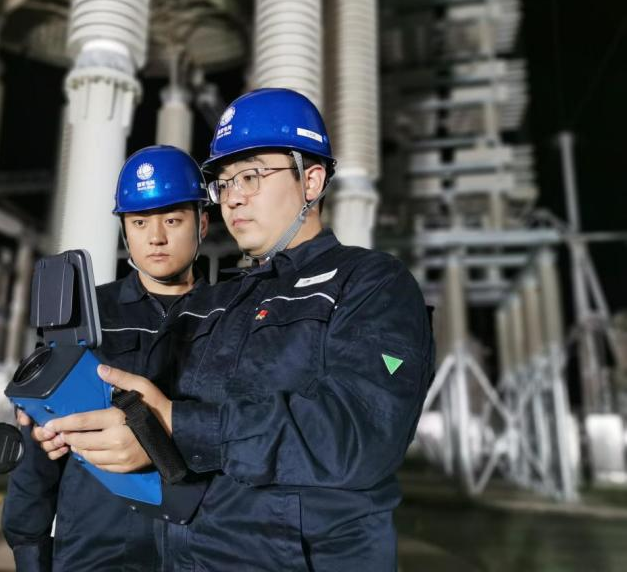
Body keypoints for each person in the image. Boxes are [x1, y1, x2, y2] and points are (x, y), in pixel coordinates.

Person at [38, 88, 435, 570]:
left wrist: (176, 426)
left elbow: (360, 434)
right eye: (224, 183)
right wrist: (73, 418)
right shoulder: (213, 303)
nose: (234, 197)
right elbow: (151, 404)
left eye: (251, 176)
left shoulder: (370, 284)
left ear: (311, 180)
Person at [1, 145, 209, 571]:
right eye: (139, 222)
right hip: (95, 551)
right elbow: (39, 448)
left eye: (172, 220)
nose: (156, 237)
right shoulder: (85, 317)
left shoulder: (233, 317)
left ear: (202, 223)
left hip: (200, 550)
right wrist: (29, 549)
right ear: (125, 231)